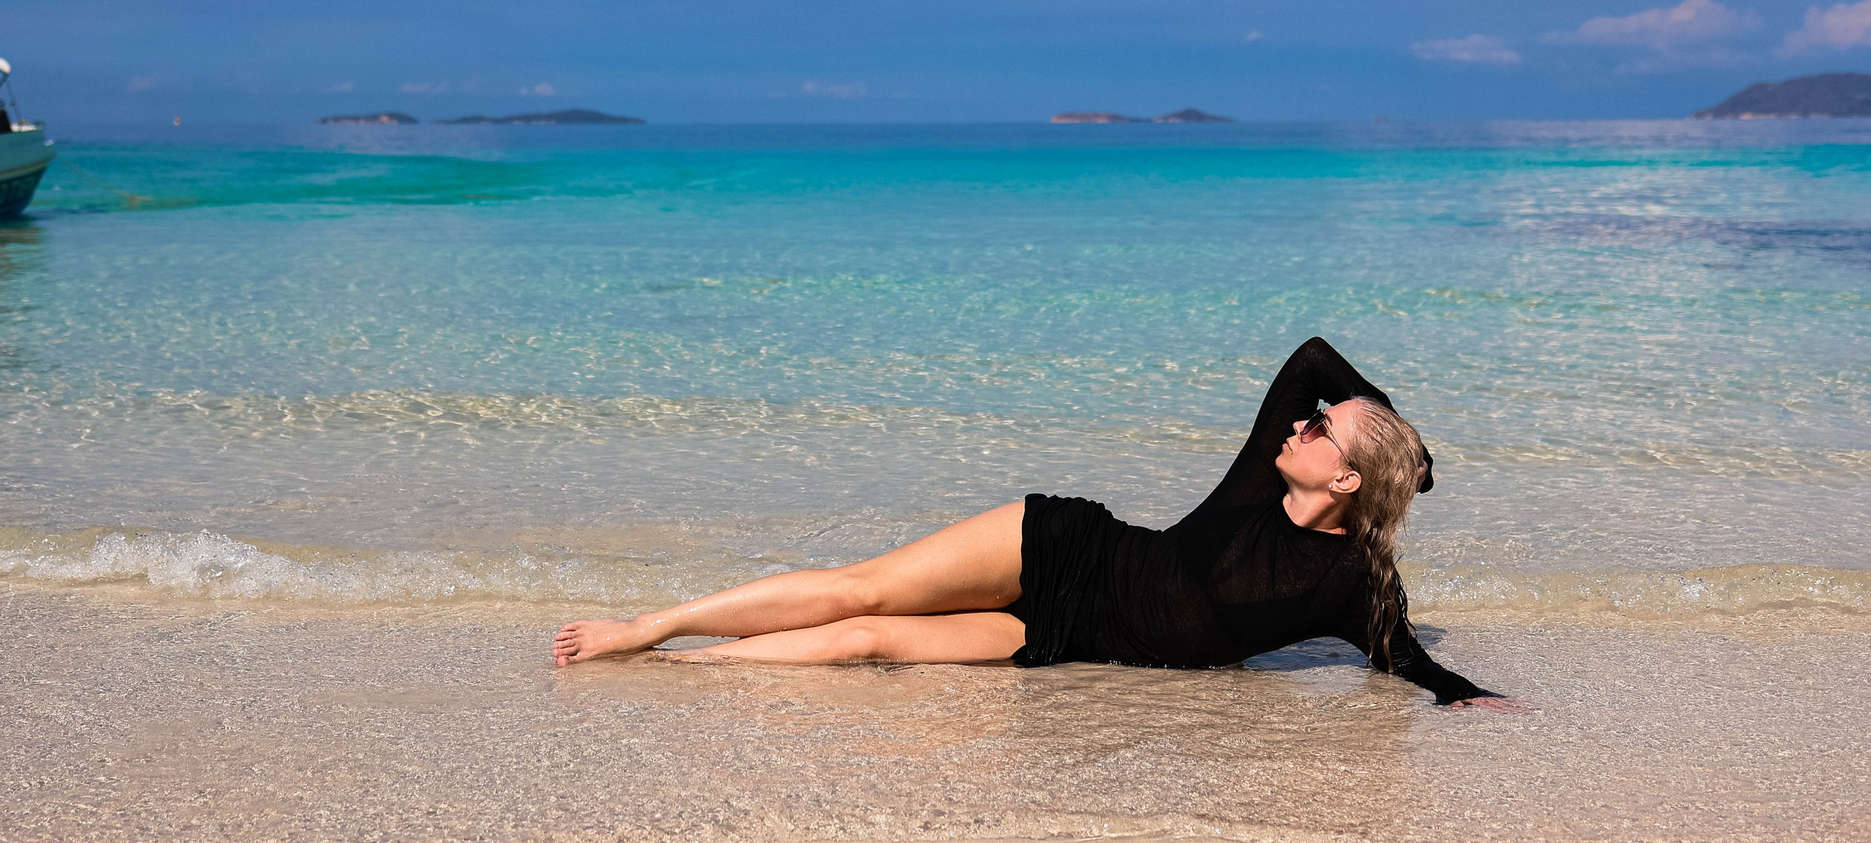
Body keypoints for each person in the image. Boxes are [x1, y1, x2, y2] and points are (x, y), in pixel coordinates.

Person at [554, 336, 1523, 709]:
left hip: (1066, 637)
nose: (1301, 424)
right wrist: (1411, 451)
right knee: (864, 587)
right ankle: (647, 627)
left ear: (1347, 480)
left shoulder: (1350, 581)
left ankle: (685, 671)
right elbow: (1313, 356)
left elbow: (1404, 657)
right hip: (1060, 544)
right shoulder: (1259, 478)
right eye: (1310, 421)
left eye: (1319, 432)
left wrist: (1462, 696)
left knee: (862, 642)